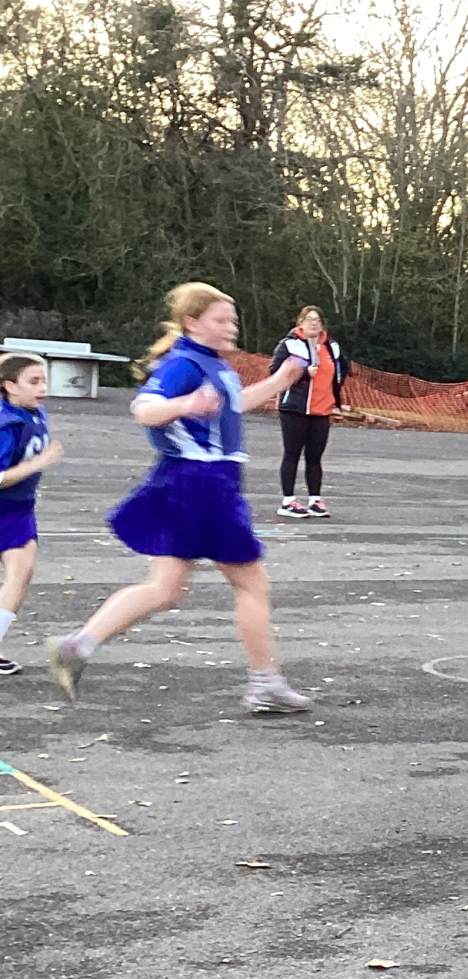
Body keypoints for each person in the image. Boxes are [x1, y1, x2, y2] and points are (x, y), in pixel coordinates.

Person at [45, 282, 312, 712]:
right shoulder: (184, 364)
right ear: (192, 322)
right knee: (251, 585)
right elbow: (144, 409)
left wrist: (281, 380)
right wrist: (184, 405)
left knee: (165, 588)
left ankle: (77, 646)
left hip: (185, 482)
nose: (231, 327)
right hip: (204, 484)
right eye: (221, 320)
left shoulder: (210, 362)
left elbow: (233, 405)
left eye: (233, 320)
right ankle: (265, 683)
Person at [0, 352, 61, 677]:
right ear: (10, 385)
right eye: (33, 381)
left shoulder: (34, 413)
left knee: (20, 573)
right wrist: (37, 464)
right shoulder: (6, 424)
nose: (42, 388)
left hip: (19, 509)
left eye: (44, 381)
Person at [271, 305, 349, 519]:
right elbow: (275, 371)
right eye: (309, 319)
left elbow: (342, 369)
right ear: (300, 323)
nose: (314, 323)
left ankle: (315, 500)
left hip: (321, 410)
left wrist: (337, 397)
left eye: (317, 320)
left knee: (315, 457)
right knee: (292, 454)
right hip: (295, 409)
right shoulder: (290, 345)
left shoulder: (332, 347)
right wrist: (304, 373)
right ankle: (288, 501)